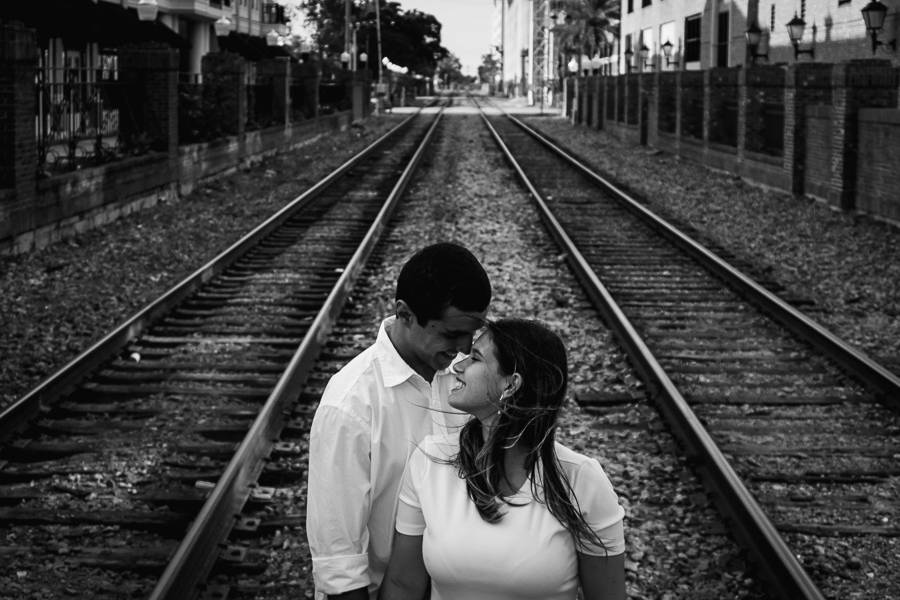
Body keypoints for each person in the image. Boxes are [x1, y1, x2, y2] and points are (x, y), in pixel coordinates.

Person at [379, 318, 626, 600]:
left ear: (511, 385)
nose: (457, 366)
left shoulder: (581, 479)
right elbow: (402, 584)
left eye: (474, 358)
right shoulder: (430, 460)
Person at [306, 242, 492, 600]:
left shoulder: (470, 377)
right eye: (452, 334)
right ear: (405, 314)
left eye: (475, 332)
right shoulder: (351, 405)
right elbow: (340, 562)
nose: (467, 347)